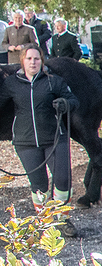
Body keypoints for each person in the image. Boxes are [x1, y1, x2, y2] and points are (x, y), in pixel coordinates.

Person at [0, 45, 78, 221]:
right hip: (25, 142)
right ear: (23, 61)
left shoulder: (54, 81)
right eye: (29, 58)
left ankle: (62, 221)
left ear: (41, 61)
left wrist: (65, 104)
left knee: (63, 181)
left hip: (55, 139)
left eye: (36, 59)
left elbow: (73, 100)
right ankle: (44, 223)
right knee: (38, 186)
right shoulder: (11, 83)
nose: (33, 62)